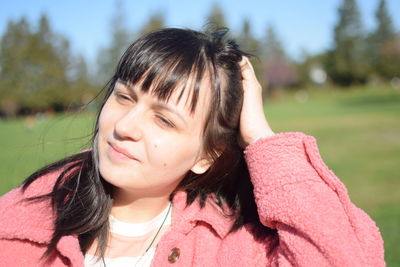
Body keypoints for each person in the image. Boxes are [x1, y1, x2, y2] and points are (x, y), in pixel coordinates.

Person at [0, 28, 384, 267]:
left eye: (164, 120)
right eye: (124, 98)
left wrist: (262, 138)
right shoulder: (20, 223)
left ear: (206, 157)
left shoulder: (234, 249)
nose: (125, 126)